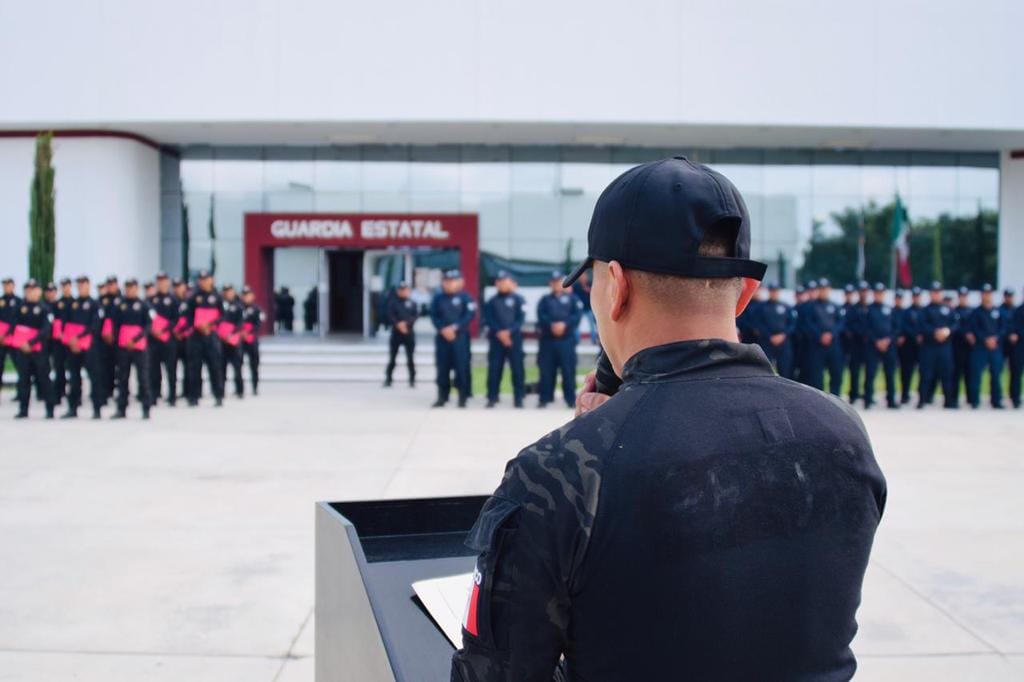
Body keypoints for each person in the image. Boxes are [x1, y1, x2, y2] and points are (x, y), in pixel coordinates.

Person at [451, 157, 886, 681]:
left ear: (616, 287)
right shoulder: (842, 430)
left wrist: (595, 444)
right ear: (745, 293)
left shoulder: (560, 471)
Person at [536, 271, 583, 409]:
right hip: (548, 340)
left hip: (566, 340)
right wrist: (551, 325)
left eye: (559, 281)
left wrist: (565, 325)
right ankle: (545, 398)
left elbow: (576, 316)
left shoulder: (573, 299)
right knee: (546, 370)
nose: (556, 284)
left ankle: (569, 399)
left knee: (568, 370)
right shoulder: (544, 300)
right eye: (554, 281)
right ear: (550, 283)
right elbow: (541, 316)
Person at [9, 279, 55, 419]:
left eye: (33, 289)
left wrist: (31, 342)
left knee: (44, 379)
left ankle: (49, 409)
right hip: (23, 350)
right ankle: (23, 409)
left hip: (39, 351)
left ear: (39, 291)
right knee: (23, 380)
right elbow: (13, 327)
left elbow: (46, 330)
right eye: (27, 289)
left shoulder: (45, 309)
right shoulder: (19, 308)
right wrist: (22, 343)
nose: (30, 292)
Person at [430, 269, 475, 408]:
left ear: (460, 282)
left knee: (461, 367)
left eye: (452, 281)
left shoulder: (466, 298)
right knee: (442, 368)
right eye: (446, 281)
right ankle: (442, 396)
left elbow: (469, 316)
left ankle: (462, 397)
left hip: (460, 338)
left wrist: (454, 328)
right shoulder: (438, 298)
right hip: (442, 338)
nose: (448, 284)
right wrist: (443, 328)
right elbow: (433, 315)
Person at [483, 272, 526, 408]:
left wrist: (509, 332)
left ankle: (518, 398)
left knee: (517, 369)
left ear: (510, 282)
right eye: (499, 281)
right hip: (496, 340)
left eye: (504, 281)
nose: (501, 284)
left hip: (514, 339)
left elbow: (521, 319)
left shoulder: (519, 299)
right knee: (494, 369)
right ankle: (492, 397)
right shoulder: (492, 301)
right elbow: (488, 319)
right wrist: (500, 333)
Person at [111, 278, 153, 419]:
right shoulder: (119, 305)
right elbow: (114, 325)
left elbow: (148, 326)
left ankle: (146, 408)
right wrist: (121, 339)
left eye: (133, 287)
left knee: (143, 378)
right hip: (123, 347)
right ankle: (121, 408)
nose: (130, 290)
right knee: (122, 378)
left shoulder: (144, 305)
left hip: (139, 347)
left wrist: (135, 339)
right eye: (128, 287)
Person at [61, 275, 102, 419]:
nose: (81, 287)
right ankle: (73, 407)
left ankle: (97, 409)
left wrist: (78, 339)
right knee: (74, 378)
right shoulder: (72, 304)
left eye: (84, 284)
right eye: (79, 285)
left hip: (89, 347)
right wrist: (71, 341)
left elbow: (95, 326)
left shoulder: (95, 304)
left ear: (89, 286)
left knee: (94, 377)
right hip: (73, 347)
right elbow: (65, 324)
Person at [186, 270, 226, 407]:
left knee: (215, 366)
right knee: (194, 367)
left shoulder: (218, 297)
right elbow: (188, 317)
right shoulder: (193, 297)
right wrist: (198, 326)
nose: (203, 282)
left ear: (211, 280)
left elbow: (222, 316)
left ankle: (218, 395)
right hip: (196, 336)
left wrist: (210, 325)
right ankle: (193, 396)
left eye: (206, 279)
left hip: (211, 336)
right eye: (201, 279)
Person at [917, 282, 956, 409]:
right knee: (926, 374)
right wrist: (935, 332)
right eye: (934, 292)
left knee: (946, 373)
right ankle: (922, 400)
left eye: (938, 292)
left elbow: (955, 324)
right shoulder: (925, 310)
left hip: (945, 347)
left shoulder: (948, 309)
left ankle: (949, 401)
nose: (936, 294)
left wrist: (947, 331)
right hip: (929, 346)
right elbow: (922, 326)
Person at [967, 284, 1006, 409]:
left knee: (996, 374)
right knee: (976, 374)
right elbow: (974, 328)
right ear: (981, 295)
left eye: (989, 293)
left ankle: (996, 400)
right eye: (984, 293)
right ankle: (974, 401)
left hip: (995, 347)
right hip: (980, 347)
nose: (986, 295)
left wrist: (995, 339)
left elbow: (1003, 328)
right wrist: (985, 339)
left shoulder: (998, 311)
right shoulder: (976, 312)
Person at [863, 283, 899, 409]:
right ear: (874, 294)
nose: (879, 295)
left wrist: (888, 340)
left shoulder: (889, 308)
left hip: (888, 345)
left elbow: (896, 327)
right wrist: (877, 341)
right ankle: (868, 399)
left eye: (881, 292)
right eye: (877, 292)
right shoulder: (868, 310)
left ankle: (891, 400)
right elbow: (866, 328)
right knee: (870, 373)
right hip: (873, 346)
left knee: (890, 373)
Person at [149, 272, 180, 406]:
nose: (161, 283)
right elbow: (147, 319)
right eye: (159, 281)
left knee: (171, 369)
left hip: (169, 339)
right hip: (154, 340)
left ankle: (172, 396)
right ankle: (155, 394)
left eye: (164, 280)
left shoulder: (173, 300)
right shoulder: (151, 300)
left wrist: (164, 330)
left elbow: (176, 319)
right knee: (153, 369)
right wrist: (153, 330)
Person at [752, 282, 795, 378]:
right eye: (772, 291)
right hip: (767, 342)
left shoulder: (786, 307)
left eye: (776, 291)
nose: (774, 293)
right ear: (769, 292)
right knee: (766, 370)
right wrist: (769, 336)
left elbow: (792, 324)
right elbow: (758, 324)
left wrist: (783, 335)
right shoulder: (761, 307)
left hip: (783, 342)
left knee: (785, 371)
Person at [383, 281, 418, 388]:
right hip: (396, 334)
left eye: (405, 290)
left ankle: (412, 380)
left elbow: (415, 316)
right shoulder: (392, 303)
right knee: (392, 358)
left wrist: (406, 324)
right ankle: (388, 379)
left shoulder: (412, 303)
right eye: (401, 290)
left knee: (410, 358)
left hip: (408, 333)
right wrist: (398, 324)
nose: (403, 292)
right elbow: (390, 315)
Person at [897, 287, 924, 404]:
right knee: (906, 371)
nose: (916, 298)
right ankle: (905, 394)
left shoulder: (924, 311)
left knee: (924, 372)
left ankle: (923, 395)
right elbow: (904, 327)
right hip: (909, 346)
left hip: (922, 346)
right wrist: (915, 335)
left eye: (918, 296)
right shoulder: (906, 312)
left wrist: (921, 335)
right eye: (914, 296)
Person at [218, 284, 245, 398]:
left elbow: (241, 322)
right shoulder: (219, 304)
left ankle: (239, 390)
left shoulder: (239, 305)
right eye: (226, 291)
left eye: (230, 291)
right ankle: (221, 391)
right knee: (221, 367)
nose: (228, 293)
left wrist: (232, 332)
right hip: (222, 340)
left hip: (234, 339)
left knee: (237, 367)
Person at [51, 277, 75, 405]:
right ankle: (58, 394)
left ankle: (74, 395)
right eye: (63, 286)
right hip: (59, 341)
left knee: (73, 369)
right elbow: (54, 321)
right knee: (59, 368)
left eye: (67, 285)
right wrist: (59, 334)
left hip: (71, 341)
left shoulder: (75, 303)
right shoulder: (57, 304)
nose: (65, 288)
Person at [951, 286, 973, 409]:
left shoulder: (972, 311)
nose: (963, 298)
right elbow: (954, 327)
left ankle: (971, 398)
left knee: (970, 373)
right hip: (957, 347)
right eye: (961, 296)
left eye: (965, 296)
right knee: (956, 374)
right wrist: (966, 333)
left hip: (970, 348)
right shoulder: (954, 311)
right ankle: (954, 399)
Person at [172, 278, 193, 402]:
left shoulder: (189, 302)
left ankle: (188, 391)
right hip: (174, 337)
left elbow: (191, 319)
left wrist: (183, 331)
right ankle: (173, 394)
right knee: (172, 367)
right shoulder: (172, 300)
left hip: (187, 337)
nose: (178, 288)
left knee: (189, 366)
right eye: (176, 286)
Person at [240, 286, 264, 396]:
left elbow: (259, 324)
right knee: (237, 364)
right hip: (239, 340)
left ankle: (255, 387)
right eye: (244, 295)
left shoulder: (257, 309)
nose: (246, 297)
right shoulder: (238, 308)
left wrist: (249, 332)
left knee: (254, 365)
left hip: (252, 339)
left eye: (248, 294)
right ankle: (239, 389)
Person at [0, 277, 20, 403]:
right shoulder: (1, 301)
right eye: (5, 285)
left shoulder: (19, 302)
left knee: (20, 366)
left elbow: (18, 321)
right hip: (1, 340)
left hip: (14, 339)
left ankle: (20, 392)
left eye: (9, 285)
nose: (7, 287)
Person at [1006, 288, 1023, 408]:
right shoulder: (1018, 311)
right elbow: (1012, 329)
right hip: (1020, 346)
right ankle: (1015, 399)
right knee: (1016, 373)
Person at [571, 270, 598, 345]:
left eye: (584, 276)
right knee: (577, 325)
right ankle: (576, 340)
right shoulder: (576, 286)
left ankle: (593, 340)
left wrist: (589, 290)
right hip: (579, 309)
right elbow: (573, 296)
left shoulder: (590, 284)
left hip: (589, 308)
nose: (583, 278)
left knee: (592, 325)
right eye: (581, 276)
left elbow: (595, 294)